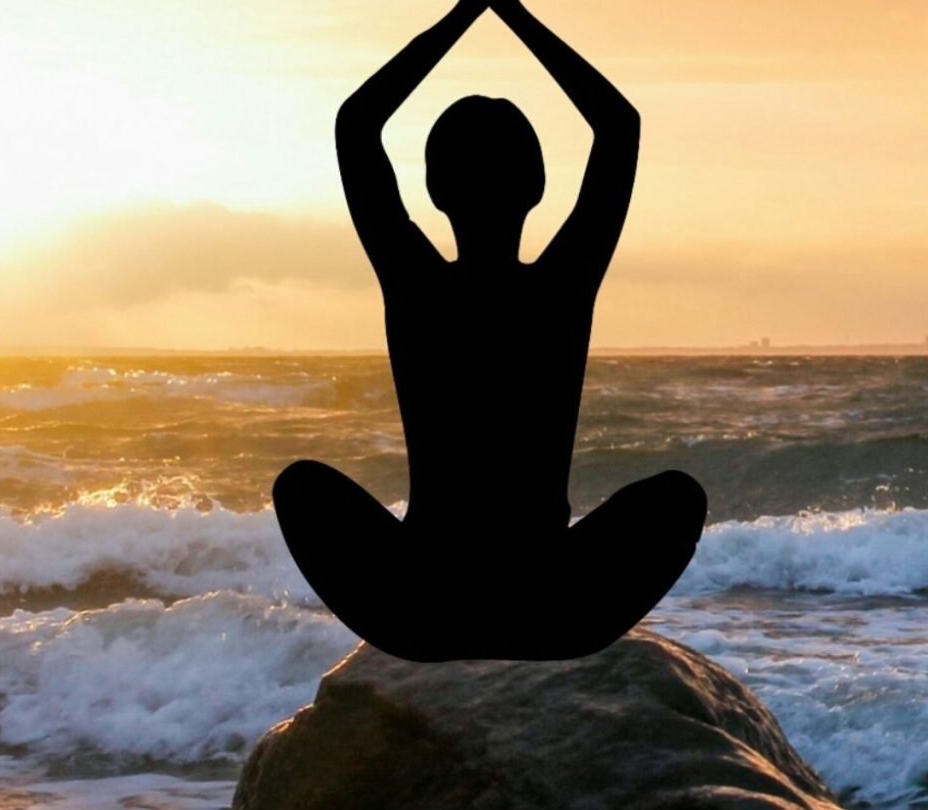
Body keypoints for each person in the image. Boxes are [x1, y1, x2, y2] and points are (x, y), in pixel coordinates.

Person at [272, 0, 705, 662]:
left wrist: (466, 10)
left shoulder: (416, 283)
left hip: (423, 609)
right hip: (549, 610)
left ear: (436, 190)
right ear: (535, 187)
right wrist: (511, 10)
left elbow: (357, 125)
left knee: (299, 485)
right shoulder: (562, 286)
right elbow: (618, 126)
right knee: (678, 497)